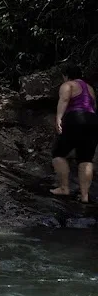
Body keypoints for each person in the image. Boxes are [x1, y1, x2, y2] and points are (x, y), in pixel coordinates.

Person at [51, 65, 98, 204]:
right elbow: (93, 106)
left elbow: (64, 100)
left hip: (76, 117)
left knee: (58, 153)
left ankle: (64, 188)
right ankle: (84, 196)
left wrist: (59, 118)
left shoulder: (68, 85)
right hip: (93, 120)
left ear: (66, 75)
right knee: (85, 158)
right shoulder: (89, 88)